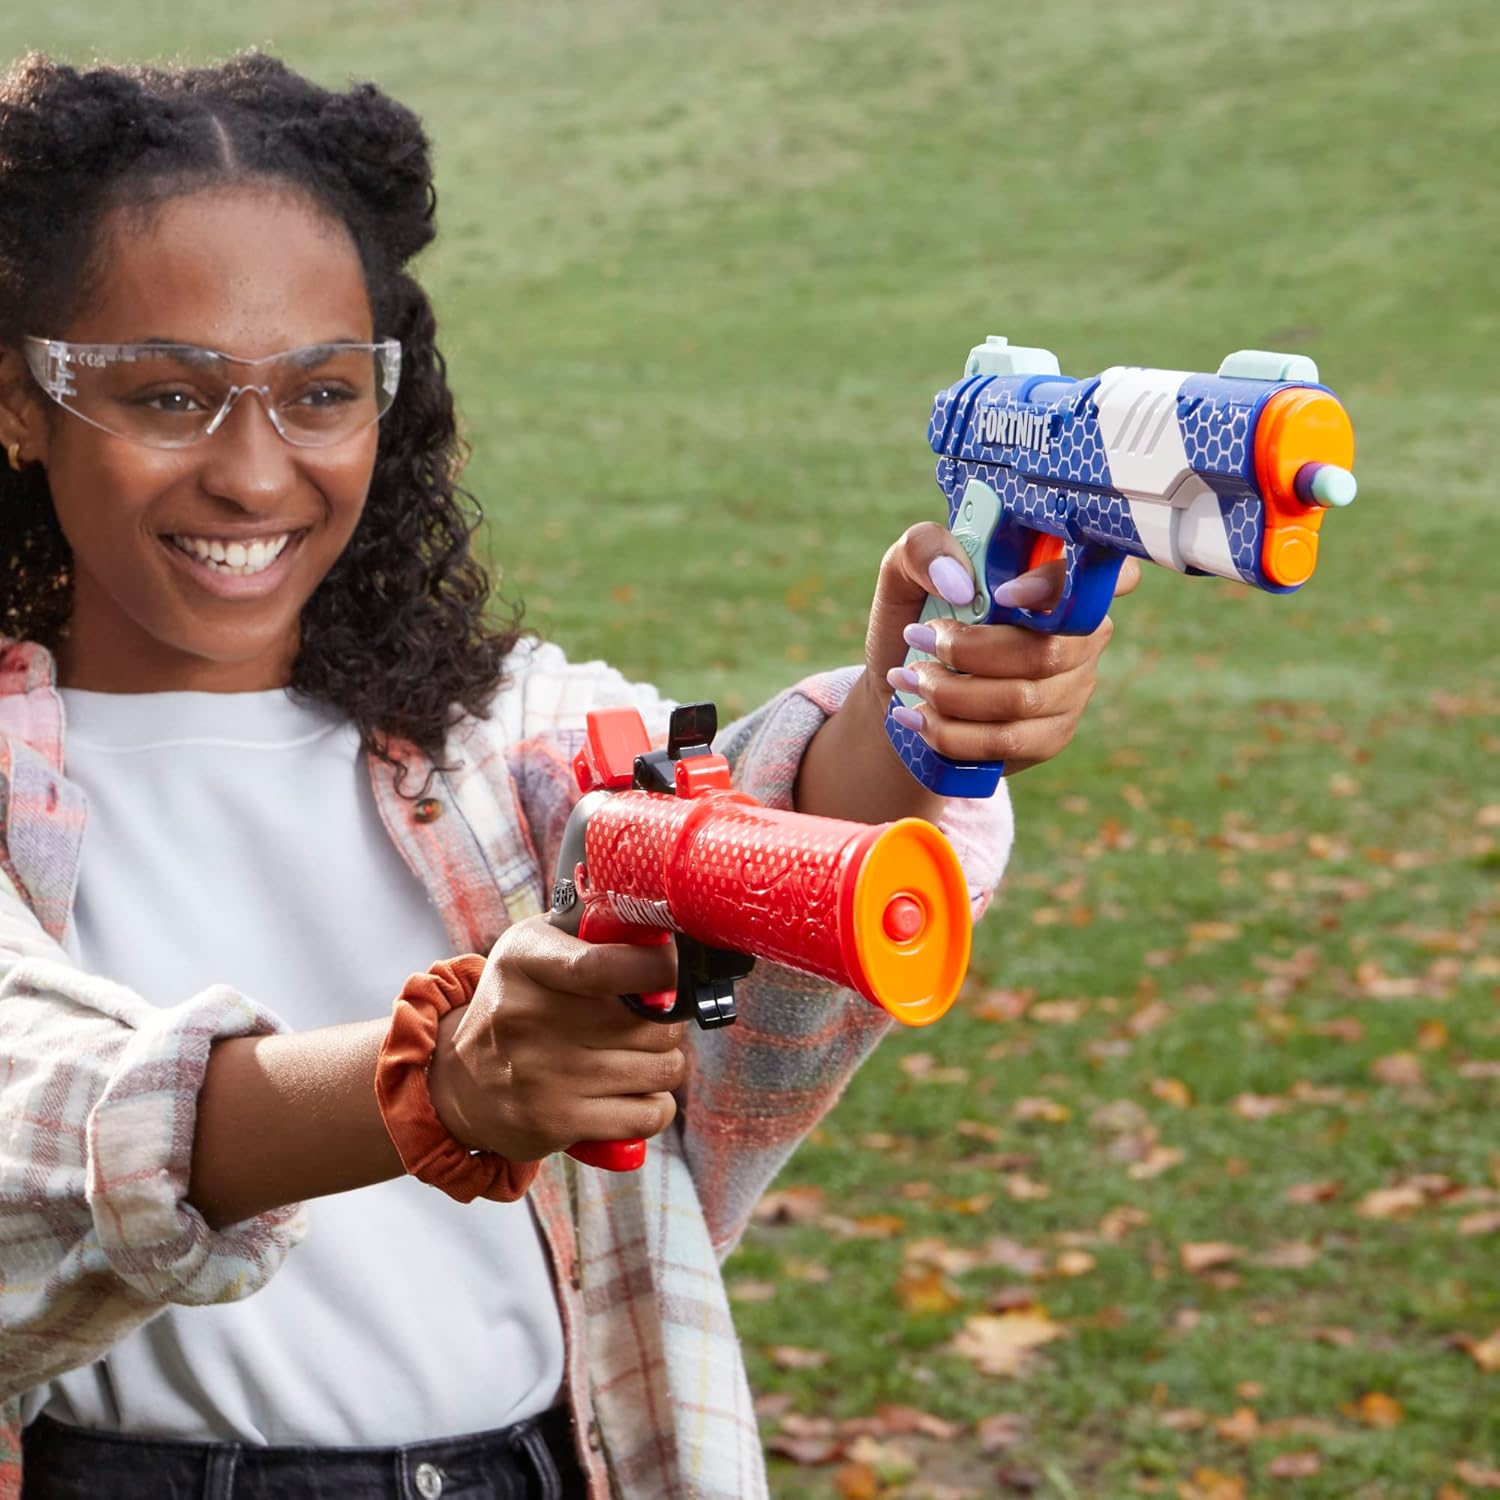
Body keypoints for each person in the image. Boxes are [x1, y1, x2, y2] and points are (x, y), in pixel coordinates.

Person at [0, 51, 1134, 1500]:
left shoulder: (492, 728)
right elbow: (33, 1117)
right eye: (170, 396)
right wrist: (435, 1087)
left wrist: (923, 715)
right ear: (22, 400)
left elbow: (740, 846)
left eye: (322, 393)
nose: (256, 474)